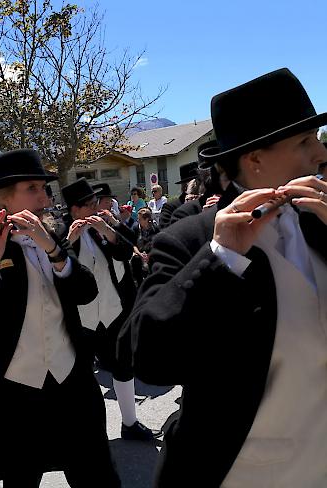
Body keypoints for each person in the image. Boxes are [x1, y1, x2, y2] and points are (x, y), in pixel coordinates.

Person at [123, 68, 327, 487]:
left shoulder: (320, 221)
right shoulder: (189, 239)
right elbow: (149, 355)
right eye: (305, 142)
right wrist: (220, 259)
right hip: (236, 472)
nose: (321, 153)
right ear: (255, 159)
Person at [0, 149, 121, 487]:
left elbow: (86, 292)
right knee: (20, 476)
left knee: (94, 473)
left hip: (69, 378)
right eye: (32, 187)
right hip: (15, 387)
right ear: (5, 197)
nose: (44, 196)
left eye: (44, 188)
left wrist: (55, 250)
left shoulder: (54, 232)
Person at [61, 178, 155, 440]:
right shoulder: (60, 233)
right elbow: (59, 268)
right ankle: (89, 434)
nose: (96, 208)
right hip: (83, 318)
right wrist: (70, 240)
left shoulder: (103, 227)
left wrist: (109, 229)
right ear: (75, 210)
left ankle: (130, 423)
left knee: (123, 366)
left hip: (114, 310)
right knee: (82, 377)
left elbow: (127, 251)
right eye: (90, 204)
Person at [158, 160, 199, 229]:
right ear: (186, 186)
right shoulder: (170, 207)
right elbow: (165, 231)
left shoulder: (205, 201)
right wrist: (188, 208)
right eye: (197, 182)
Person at [130, 208, 160, 286]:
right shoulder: (135, 227)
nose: (138, 220)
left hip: (151, 253)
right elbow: (133, 244)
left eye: (140, 219)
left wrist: (149, 255)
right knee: (135, 259)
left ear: (146, 219)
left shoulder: (155, 228)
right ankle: (139, 283)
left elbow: (157, 244)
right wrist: (139, 254)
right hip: (139, 253)